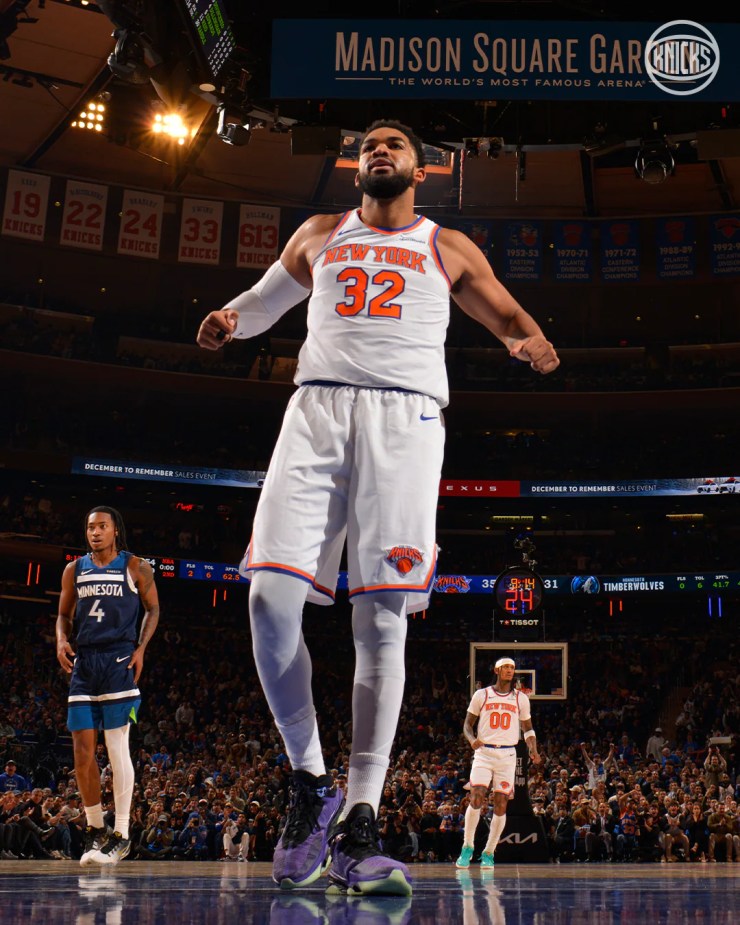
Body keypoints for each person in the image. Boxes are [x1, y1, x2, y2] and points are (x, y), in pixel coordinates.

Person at [196, 120, 559, 896]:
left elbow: (506, 316)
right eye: (368, 145)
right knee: (267, 598)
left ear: (422, 170)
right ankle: (309, 782)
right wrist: (230, 319)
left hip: (406, 420)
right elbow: (262, 300)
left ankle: (361, 818)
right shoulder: (322, 231)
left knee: (382, 617)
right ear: (355, 165)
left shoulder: (447, 245)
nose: (378, 150)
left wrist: (529, 341)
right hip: (316, 412)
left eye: (393, 144)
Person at [56, 506, 160, 866]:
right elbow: (63, 615)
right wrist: (60, 640)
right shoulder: (75, 569)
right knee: (82, 751)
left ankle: (122, 835)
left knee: (117, 749)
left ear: (116, 531)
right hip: (85, 663)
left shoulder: (135, 567)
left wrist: (141, 648)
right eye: (90, 527)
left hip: (118, 661)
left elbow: (153, 609)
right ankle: (95, 829)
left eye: (102, 526)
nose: (95, 532)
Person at [455, 657, 541, 869]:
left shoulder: (521, 698)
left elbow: (528, 728)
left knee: (501, 804)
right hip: (484, 752)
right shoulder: (482, 694)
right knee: (476, 798)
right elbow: (467, 725)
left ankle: (489, 852)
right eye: (505, 667)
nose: (510, 671)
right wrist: (471, 739)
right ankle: (467, 846)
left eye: (512, 668)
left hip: (507, 755)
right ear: (496, 670)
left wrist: (534, 749)